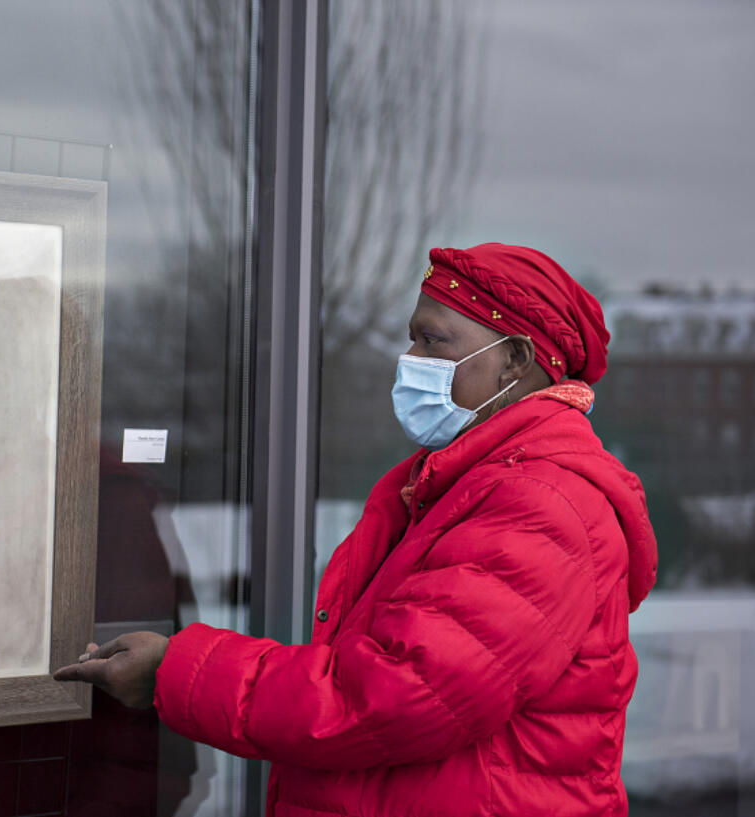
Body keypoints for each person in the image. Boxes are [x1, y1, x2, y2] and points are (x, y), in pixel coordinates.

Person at [55, 243, 658, 816]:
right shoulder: (458, 486)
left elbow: (396, 694)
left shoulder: (539, 504)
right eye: (411, 339)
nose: (411, 361)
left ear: (516, 361)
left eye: (434, 341)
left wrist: (175, 672)